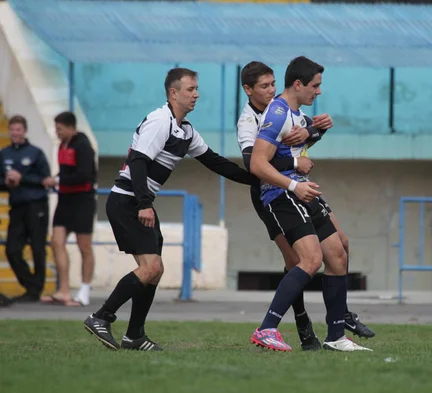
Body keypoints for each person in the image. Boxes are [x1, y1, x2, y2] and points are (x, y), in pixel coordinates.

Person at [83, 67, 256, 351]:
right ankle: (101, 317)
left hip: (138, 201)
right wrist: (144, 204)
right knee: (150, 267)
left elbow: (215, 162)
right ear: (173, 93)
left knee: (155, 269)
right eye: (190, 89)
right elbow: (138, 162)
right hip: (128, 201)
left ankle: (134, 336)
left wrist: (258, 178)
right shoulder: (159, 120)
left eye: (197, 89)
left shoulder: (185, 131)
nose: (196, 94)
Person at [237, 61, 375, 351]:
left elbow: (295, 145)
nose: (319, 91)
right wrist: (294, 184)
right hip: (282, 194)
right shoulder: (276, 113)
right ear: (298, 85)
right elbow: (257, 163)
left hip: (302, 190)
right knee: (309, 261)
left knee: (337, 252)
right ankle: (267, 328)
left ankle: (336, 336)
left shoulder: (295, 114)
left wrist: (316, 130)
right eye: (315, 85)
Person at [40, 111, 97, 307]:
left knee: (84, 247)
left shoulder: (83, 146)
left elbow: (83, 175)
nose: (57, 132)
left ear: (71, 128)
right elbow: (65, 171)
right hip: (65, 200)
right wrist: (56, 178)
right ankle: (64, 290)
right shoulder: (63, 145)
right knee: (57, 242)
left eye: (60, 129)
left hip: (83, 201)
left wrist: (56, 179)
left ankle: (84, 291)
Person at [0, 115, 51, 303]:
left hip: (37, 205)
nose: (15, 133)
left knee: (38, 248)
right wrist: (7, 181)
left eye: (18, 130)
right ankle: (31, 286)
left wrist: (22, 179)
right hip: (17, 206)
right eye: (12, 130)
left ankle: (35, 291)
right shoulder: (4, 154)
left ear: (25, 131)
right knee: (12, 250)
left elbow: (45, 180)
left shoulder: (36, 153)